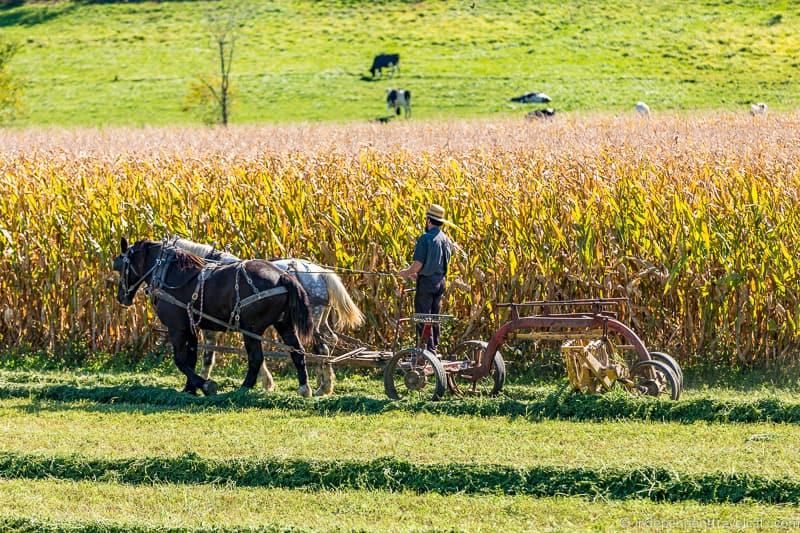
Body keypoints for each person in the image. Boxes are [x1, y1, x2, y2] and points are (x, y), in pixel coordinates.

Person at [398, 204, 453, 352]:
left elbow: (418, 263)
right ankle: (434, 346)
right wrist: (420, 272)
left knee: (423, 315)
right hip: (440, 282)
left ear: (429, 220)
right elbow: (441, 262)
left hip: (427, 284)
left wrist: (407, 272)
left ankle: (426, 349)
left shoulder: (426, 238)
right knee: (434, 315)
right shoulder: (445, 239)